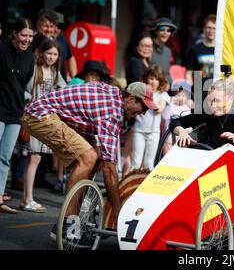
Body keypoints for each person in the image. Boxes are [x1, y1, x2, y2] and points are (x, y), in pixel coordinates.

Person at [21, 81, 158, 235]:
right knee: (89, 158)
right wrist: (118, 210)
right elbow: (109, 169)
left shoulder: (113, 95)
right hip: (41, 115)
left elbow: (85, 117)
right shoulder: (113, 112)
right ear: (131, 99)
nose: (144, 113)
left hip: (42, 114)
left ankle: (73, 221)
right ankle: (68, 225)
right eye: (144, 107)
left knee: (91, 159)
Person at [169, 76, 234, 164]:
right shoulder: (209, 112)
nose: (213, 106)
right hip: (210, 163)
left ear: (230, 98)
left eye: (217, 101)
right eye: (210, 101)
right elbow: (175, 122)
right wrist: (181, 131)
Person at [20, 39, 66, 212]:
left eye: (55, 54)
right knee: (35, 157)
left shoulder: (55, 73)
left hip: (45, 119)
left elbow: (64, 89)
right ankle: (28, 199)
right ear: (41, 53)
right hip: (33, 117)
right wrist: (30, 100)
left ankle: (26, 198)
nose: (52, 57)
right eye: (49, 53)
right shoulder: (35, 69)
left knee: (35, 158)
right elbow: (24, 89)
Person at [0, 18, 35, 214]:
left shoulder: (29, 58)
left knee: (5, 157)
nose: (27, 39)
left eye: (30, 36)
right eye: (24, 35)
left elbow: (24, 85)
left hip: (15, 113)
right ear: (14, 34)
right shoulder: (2, 49)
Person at [131, 65, 170, 170]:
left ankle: (146, 185)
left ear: (160, 81)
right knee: (136, 162)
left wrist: (148, 99)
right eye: (151, 78)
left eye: (157, 79)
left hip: (154, 133)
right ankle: (131, 185)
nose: (153, 82)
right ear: (146, 79)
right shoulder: (140, 93)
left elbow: (159, 109)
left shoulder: (163, 94)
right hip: (139, 131)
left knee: (149, 163)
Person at [161, 81, 193, 156]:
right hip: (168, 139)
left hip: (182, 140)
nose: (180, 98)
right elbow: (165, 117)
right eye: (178, 95)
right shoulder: (170, 106)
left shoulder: (186, 109)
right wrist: (170, 103)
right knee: (168, 158)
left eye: (183, 96)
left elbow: (190, 125)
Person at [185, 14, 216, 86]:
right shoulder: (195, 49)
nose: (211, 31)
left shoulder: (222, 50)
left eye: (214, 28)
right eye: (208, 28)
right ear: (204, 29)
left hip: (217, 91)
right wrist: (188, 87)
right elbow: (189, 72)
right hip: (198, 91)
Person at [151, 17, 177, 83]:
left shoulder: (168, 51)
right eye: (162, 29)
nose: (165, 32)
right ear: (156, 31)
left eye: (169, 30)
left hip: (164, 88)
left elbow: (167, 74)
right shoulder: (148, 47)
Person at [54, 11, 77, 82]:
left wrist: (74, 79)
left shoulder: (62, 39)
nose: (56, 29)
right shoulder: (42, 40)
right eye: (54, 25)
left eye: (59, 27)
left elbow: (71, 57)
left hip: (61, 82)